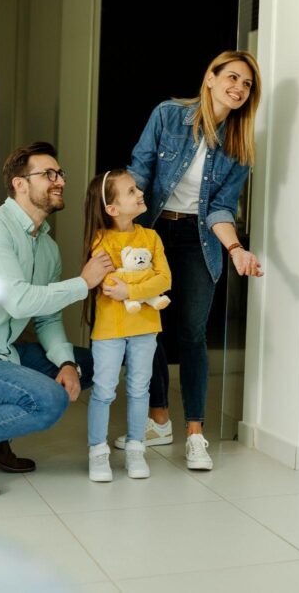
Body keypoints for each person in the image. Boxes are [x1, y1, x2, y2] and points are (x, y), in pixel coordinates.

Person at [0, 141, 115, 496]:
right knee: (49, 400)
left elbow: (47, 318)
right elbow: (18, 301)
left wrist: (65, 361)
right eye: (48, 174)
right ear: (19, 183)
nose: (59, 180)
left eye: (60, 173)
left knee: (95, 364)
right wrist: (83, 283)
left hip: (5, 355)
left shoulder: (46, 246)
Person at [120, 50, 264, 471]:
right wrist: (122, 230)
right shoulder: (168, 116)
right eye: (232, 77)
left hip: (199, 238)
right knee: (152, 326)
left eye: (247, 84)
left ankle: (196, 435)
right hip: (153, 231)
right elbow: (140, 171)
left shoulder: (240, 147)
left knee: (193, 332)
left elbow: (221, 208)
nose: (238, 88)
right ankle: (159, 417)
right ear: (211, 78)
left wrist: (236, 250)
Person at [82, 169, 171, 482]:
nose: (140, 193)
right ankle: (97, 451)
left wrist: (130, 290)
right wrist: (142, 283)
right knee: (104, 390)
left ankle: (136, 447)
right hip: (109, 330)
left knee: (139, 389)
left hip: (146, 326)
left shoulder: (151, 237)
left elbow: (165, 279)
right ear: (113, 209)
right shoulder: (100, 241)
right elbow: (109, 283)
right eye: (131, 191)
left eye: (137, 188)